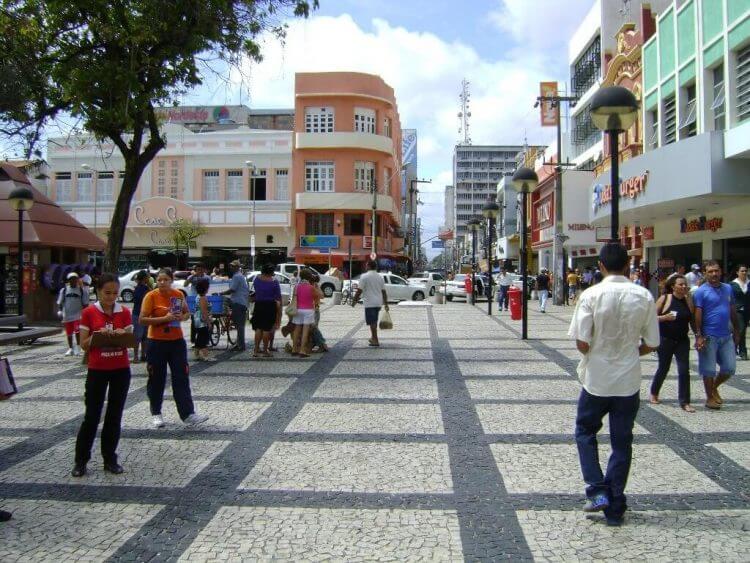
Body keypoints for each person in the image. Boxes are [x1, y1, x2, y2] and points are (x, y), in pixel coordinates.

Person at [568, 242, 659, 527]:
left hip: (596, 379)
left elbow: (582, 342)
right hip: (628, 381)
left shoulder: (591, 295)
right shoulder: (643, 295)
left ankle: (597, 490)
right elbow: (653, 342)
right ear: (628, 265)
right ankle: (615, 501)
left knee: (585, 431)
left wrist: (597, 353)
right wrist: (631, 352)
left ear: (602, 266)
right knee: (622, 442)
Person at [71, 273, 133, 477]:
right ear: (98, 291)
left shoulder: (123, 312)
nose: (111, 297)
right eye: (107, 293)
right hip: (97, 369)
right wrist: (98, 337)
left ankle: (110, 458)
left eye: (115, 293)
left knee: (114, 415)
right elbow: (83, 344)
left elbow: (131, 338)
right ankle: (81, 460)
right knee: (92, 415)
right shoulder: (89, 312)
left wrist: (122, 335)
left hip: (120, 369)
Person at [139, 268, 208, 427]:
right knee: (156, 378)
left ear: (171, 280)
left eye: (165, 280)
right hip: (156, 341)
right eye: (159, 280)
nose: (162, 282)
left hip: (176, 341)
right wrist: (164, 318)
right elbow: (142, 319)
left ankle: (187, 414)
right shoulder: (151, 296)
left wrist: (180, 317)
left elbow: (186, 313)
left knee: (181, 377)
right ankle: (156, 412)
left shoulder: (178, 294)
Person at [693, 260, 740, 410]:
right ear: (705, 274)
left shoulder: (728, 288)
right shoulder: (701, 292)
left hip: (726, 336)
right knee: (709, 369)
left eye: (716, 270)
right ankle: (709, 398)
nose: (714, 274)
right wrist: (698, 335)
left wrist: (737, 331)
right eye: (710, 271)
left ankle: (714, 387)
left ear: (720, 272)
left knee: (729, 368)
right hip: (709, 336)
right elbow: (697, 315)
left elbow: (732, 310)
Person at [649, 274, 696, 412]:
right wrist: (664, 317)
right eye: (680, 284)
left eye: (684, 284)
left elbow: (691, 318)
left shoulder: (688, 300)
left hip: (682, 340)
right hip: (666, 340)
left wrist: (698, 335)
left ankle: (685, 402)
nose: (683, 287)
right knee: (664, 368)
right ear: (672, 286)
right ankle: (654, 392)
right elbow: (650, 318)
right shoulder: (665, 299)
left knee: (684, 370)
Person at [352, 260, 388, 347]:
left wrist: (354, 301)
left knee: (372, 322)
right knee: (374, 320)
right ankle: (373, 337)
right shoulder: (380, 277)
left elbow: (359, 290)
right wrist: (386, 303)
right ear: (375, 267)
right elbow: (384, 292)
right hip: (378, 302)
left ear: (368, 266)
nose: (365, 267)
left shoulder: (364, 276)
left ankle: (375, 339)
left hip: (370, 302)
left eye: (366, 265)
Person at [250, 263, 282, 358]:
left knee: (258, 328)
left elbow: (255, 291)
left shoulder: (257, 280)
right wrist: (279, 310)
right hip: (270, 306)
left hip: (258, 305)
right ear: (271, 272)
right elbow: (278, 297)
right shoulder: (274, 282)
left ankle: (255, 350)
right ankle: (265, 351)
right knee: (267, 329)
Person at [57, 272, 89, 356]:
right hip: (67, 315)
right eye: (71, 279)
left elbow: (85, 304)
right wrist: (60, 310)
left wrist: (85, 314)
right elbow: (60, 302)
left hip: (78, 315)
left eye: (75, 279)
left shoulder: (81, 291)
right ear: (69, 280)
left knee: (77, 331)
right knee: (69, 333)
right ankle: (70, 348)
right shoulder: (64, 290)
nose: (73, 281)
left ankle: (78, 347)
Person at [290, 269, 320, 357]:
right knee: (305, 330)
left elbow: (294, 297)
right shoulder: (311, 287)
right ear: (309, 277)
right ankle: (302, 350)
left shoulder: (297, 286)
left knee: (297, 329)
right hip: (308, 310)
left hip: (298, 309)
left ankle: (294, 349)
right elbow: (319, 296)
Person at [222, 260, 249, 352]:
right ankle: (240, 344)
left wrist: (221, 293)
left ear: (238, 267)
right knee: (239, 325)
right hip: (241, 302)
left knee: (240, 325)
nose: (231, 268)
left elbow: (232, 289)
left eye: (233, 266)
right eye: (231, 266)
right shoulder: (239, 276)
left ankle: (241, 345)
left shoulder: (237, 276)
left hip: (239, 303)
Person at [185, 263, 210, 347]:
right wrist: (193, 276)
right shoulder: (192, 277)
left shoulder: (206, 277)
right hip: (193, 300)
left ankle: (204, 341)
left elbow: (211, 287)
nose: (199, 271)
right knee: (194, 321)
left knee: (203, 321)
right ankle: (194, 340)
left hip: (203, 298)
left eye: (201, 269)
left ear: (203, 269)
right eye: (197, 269)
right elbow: (185, 284)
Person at [730, 264, 749, 361]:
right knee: (740, 330)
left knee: (743, 331)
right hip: (737, 310)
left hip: (747, 310)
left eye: (746, 270)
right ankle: (733, 350)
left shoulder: (749, 283)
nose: (744, 272)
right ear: (737, 272)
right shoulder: (732, 284)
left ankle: (742, 352)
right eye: (742, 271)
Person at [193, 278, 214, 361]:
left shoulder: (198, 296)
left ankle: (197, 354)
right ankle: (206, 356)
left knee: (199, 337)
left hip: (197, 319)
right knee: (204, 337)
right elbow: (204, 312)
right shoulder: (203, 298)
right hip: (202, 320)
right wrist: (208, 323)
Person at [132, 271, 150, 362]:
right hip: (138, 314)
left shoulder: (144, 288)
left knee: (145, 336)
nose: (149, 278)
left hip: (145, 314)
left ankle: (143, 355)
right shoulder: (140, 289)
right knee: (138, 336)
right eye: (148, 277)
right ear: (144, 278)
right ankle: (136, 356)